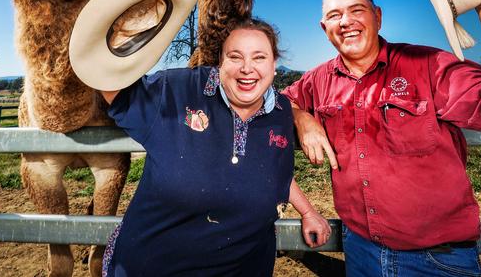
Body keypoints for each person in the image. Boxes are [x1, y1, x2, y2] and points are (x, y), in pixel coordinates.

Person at [282, 0, 481, 276]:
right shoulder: (317, 80)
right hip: (360, 250)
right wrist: (301, 117)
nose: (345, 22)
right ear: (324, 27)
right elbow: (277, 103)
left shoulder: (430, 66)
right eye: (334, 16)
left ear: (378, 16)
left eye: (356, 10)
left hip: (439, 260)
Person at [99, 18, 331, 277]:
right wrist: (120, 31)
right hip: (153, 267)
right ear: (220, 61)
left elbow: (276, 174)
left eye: (259, 57)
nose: (247, 68)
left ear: (274, 65)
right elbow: (116, 92)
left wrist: (309, 211)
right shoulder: (177, 91)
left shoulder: (281, 113)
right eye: (235, 56)